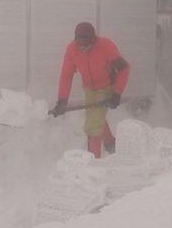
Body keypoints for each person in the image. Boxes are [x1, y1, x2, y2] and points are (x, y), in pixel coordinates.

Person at [51, 22, 130, 158]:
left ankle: (93, 162)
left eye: (87, 45)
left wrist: (117, 93)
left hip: (107, 86)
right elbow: (66, 76)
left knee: (93, 126)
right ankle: (111, 144)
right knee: (96, 116)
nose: (83, 48)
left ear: (93, 39)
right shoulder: (72, 50)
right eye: (80, 44)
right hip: (90, 89)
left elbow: (124, 68)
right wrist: (62, 101)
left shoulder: (106, 46)